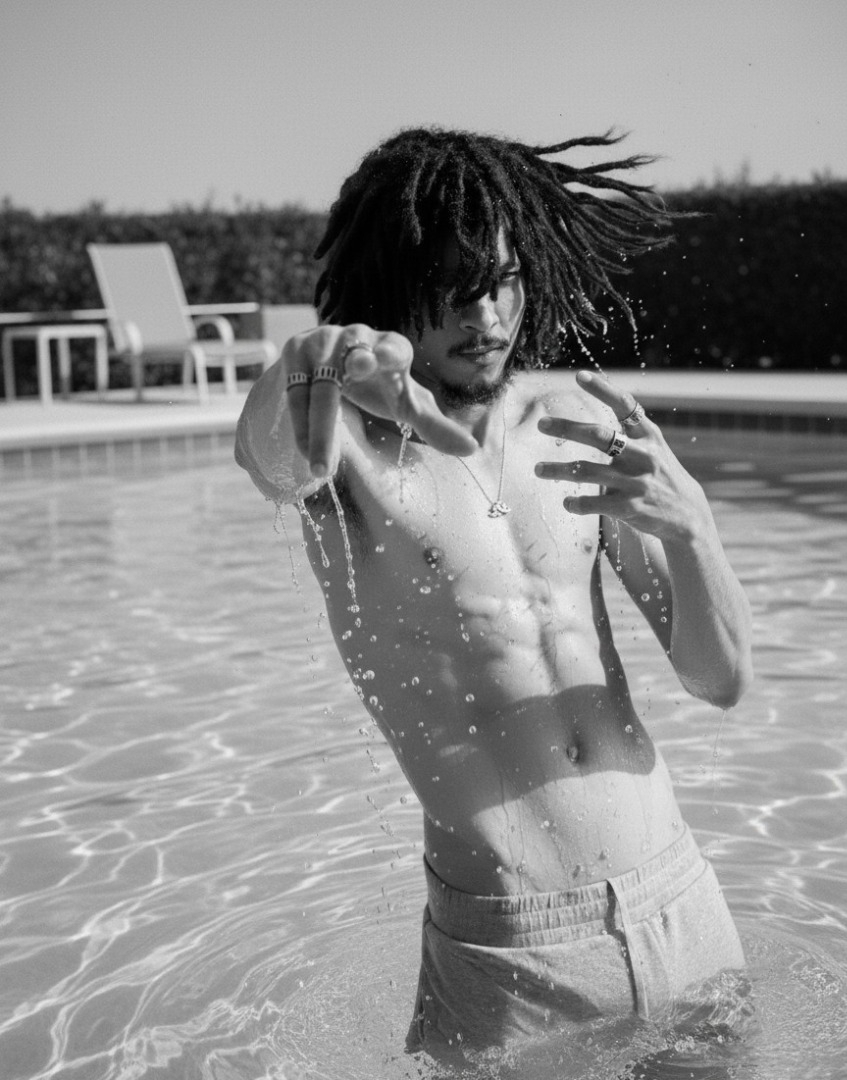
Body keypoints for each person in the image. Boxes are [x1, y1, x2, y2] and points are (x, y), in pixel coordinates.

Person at [235, 127, 753, 1062]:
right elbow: (269, 460)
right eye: (454, 287)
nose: (486, 315)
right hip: (511, 949)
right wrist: (305, 366)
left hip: (680, 901)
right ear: (391, 290)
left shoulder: (576, 423)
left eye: (504, 282)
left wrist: (694, 529)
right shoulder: (344, 457)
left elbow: (719, 682)